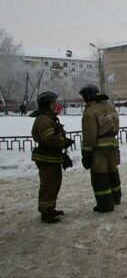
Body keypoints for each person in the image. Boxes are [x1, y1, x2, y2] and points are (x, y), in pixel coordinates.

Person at [30, 92, 74, 223]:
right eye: (53, 103)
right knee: (48, 185)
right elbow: (48, 139)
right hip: (46, 157)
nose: (56, 105)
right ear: (47, 104)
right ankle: (46, 213)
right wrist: (63, 141)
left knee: (54, 184)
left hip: (52, 157)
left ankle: (50, 208)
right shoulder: (44, 120)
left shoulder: (49, 118)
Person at [79, 84, 122, 212]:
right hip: (113, 144)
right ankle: (116, 197)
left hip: (99, 148)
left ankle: (105, 204)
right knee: (112, 172)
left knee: (100, 176)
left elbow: (89, 135)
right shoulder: (110, 107)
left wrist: (86, 153)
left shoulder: (90, 112)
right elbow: (115, 127)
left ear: (87, 97)